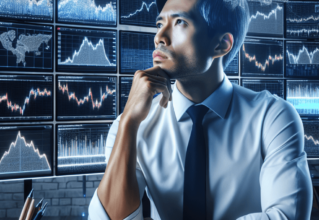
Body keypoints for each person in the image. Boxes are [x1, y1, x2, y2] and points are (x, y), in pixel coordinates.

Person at [88, 0, 313, 219]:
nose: (159, 37)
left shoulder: (273, 117)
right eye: (159, 24)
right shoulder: (131, 125)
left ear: (222, 44)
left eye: (179, 23)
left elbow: (286, 215)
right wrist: (129, 122)